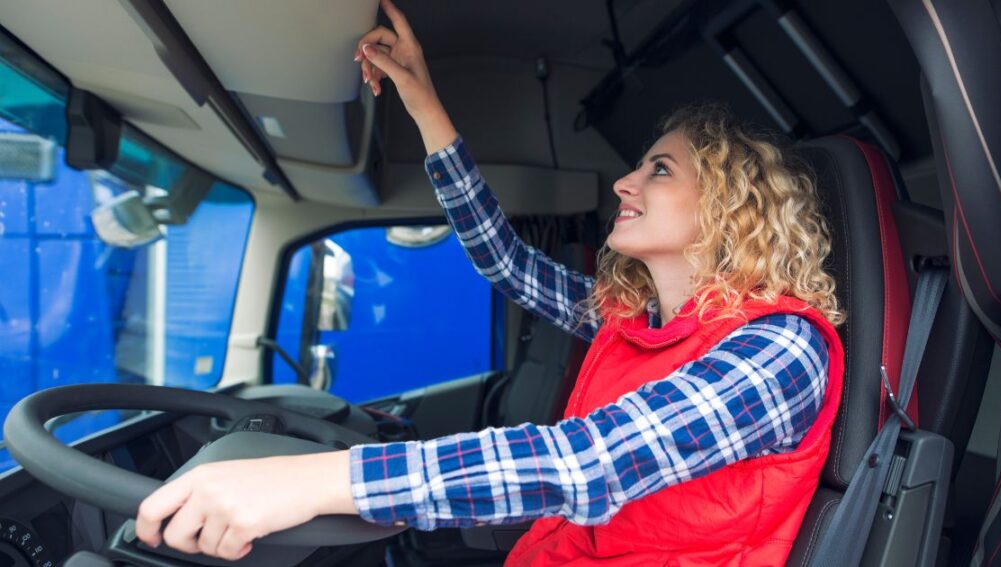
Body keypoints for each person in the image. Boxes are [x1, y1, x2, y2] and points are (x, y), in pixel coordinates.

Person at [135, 0, 846, 563]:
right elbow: (504, 260)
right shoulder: (635, 320)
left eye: (659, 169)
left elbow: (588, 463)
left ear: (730, 205)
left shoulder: (781, 350)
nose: (625, 181)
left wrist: (310, 482)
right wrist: (423, 103)